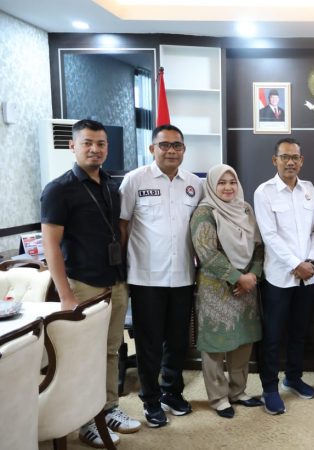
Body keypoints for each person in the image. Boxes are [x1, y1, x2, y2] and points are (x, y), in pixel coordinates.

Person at [41, 119, 141, 448]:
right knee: (85, 355)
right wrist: (66, 295)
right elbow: (51, 246)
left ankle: (108, 408)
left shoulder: (112, 185)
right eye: (87, 143)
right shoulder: (58, 189)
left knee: (111, 350)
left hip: (115, 281)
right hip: (82, 285)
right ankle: (85, 420)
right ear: (73, 146)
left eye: (101, 143)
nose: (95, 149)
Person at [119, 124, 203, 428]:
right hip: (146, 278)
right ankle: (150, 399)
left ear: (184, 150)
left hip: (183, 276)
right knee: (149, 344)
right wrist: (121, 270)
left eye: (177, 145)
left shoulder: (194, 183)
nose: (171, 151)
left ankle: (172, 392)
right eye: (164, 145)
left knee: (178, 342)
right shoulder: (135, 180)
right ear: (152, 148)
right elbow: (122, 226)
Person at [254, 138, 314, 415]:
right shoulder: (264, 192)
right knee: (272, 335)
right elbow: (269, 236)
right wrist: (296, 263)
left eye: (295, 157)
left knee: (299, 332)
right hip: (279, 278)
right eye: (285, 157)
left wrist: (311, 261)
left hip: (308, 276)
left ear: (301, 161)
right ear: (275, 160)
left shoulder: (309, 190)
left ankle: (293, 378)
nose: (290, 162)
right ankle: (269, 388)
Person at [190, 164, 264, 419]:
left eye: (232, 182)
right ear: (211, 186)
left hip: (247, 286)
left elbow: (259, 245)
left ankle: (238, 391)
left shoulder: (245, 209)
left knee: (242, 339)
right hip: (217, 288)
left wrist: (253, 275)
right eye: (221, 183)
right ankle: (218, 397)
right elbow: (207, 252)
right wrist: (237, 278)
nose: (228, 187)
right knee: (215, 343)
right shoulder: (204, 212)